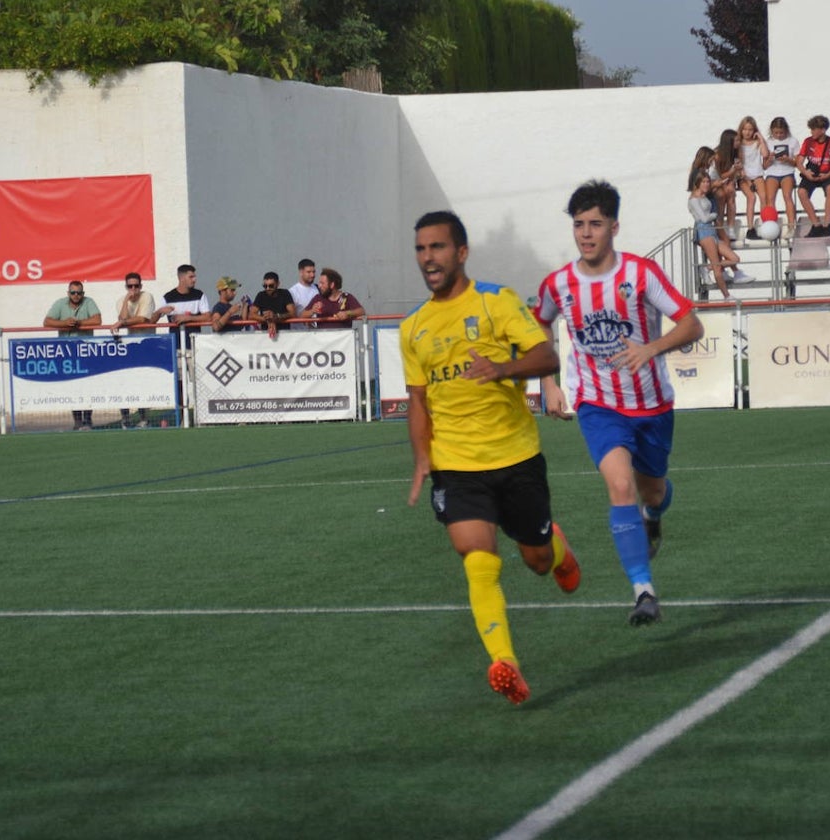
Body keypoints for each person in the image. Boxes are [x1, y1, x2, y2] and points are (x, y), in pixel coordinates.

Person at [401, 210, 580, 706]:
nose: (427, 258)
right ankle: (506, 662)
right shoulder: (413, 327)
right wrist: (421, 458)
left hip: (516, 455)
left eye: (436, 247)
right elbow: (417, 399)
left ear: (461, 252)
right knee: (478, 559)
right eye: (420, 249)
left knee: (538, 561)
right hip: (455, 465)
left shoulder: (496, 301)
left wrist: (501, 368)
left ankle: (557, 547)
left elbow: (546, 357)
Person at [536, 180, 704, 627]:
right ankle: (643, 591)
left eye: (595, 224)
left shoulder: (641, 274)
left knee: (652, 491)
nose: (586, 233)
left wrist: (651, 348)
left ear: (614, 227)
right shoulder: (559, 284)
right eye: (578, 225)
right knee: (620, 487)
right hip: (598, 405)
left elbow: (692, 324)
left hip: (652, 405)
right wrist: (548, 383)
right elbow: (538, 329)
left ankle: (655, 515)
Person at [43, 280, 102, 430]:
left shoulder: (89, 302)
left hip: (86, 350)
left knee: (88, 385)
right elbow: (47, 321)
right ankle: (77, 421)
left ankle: (88, 419)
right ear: (68, 293)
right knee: (72, 386)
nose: (76, 295)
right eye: (73, 292)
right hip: (67, 352)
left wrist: (78, 323)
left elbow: (97, 320)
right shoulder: (60, 303)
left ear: (83, 293)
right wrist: (65, 323)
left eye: (79, 293)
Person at [688, 169, 748, 298]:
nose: (706, 184)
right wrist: (715, 215)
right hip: (704, 232)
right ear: (698, 183)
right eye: (703, 182)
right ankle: (726, 295)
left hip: (712, 231)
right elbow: (703, 219)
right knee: (717, 267)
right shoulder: (693, 199)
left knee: (734, 259)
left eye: (708, 181)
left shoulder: (704, 196)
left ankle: (706, 268)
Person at [109, 272, 156, 428]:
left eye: (136, 286)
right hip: (129, 347)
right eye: (130, 286)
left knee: (143, 382)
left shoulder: (147, 296)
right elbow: (122, 319)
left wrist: (122, 323)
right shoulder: (121, 301)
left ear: (141, 286)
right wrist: (126, 302)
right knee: (125, 382)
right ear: (126, 287)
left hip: (146, 345)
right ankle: (126, 418)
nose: (133, 289)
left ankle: (144, 418)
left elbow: (142, 319)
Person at [796, 115, 830, 238]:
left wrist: (826, 175)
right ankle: (816, 224)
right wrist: (806, 173)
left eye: (814, 129)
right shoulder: (808, 141)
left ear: (822, 130)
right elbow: (799, 162)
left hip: (828, 173)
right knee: (801, 192)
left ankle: (827, 224)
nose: (811, 132)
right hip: (811, 172)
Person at [762, 116, 799, 241]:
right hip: (772, 172)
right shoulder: (768, 142)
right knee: (770, 198)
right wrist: (770, 158)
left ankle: (791, 226)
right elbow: (764, 166)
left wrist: (788, 159)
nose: (778, 135)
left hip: (787, 172)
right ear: (771, 131)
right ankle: (772, 225)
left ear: (786, 131)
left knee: (787, 196)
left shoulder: (792, 141)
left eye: (781, 133)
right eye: (776, 133)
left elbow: (797, 163)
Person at [153, 264, 211, 340]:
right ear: (181, 278)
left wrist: (188, 318)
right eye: (191, 277)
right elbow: (151, 321)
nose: (194, 280)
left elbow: (208, 317)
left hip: (195, 343)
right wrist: (159, 312)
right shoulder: (168, 297)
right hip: (175, 344)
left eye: (194, 277)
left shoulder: (199, 295)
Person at [737, 115, 769, 241]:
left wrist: (761, 139)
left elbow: (765, 154)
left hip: (757, 174)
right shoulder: (739, 144)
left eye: (750, 129)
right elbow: (738, 163)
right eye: (745, 129)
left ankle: (763, 224)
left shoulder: (756, 142)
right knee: (751, 197)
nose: (747, 132)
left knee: (763, 197)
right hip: (744, 176)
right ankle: (750, 228)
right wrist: (746, 179)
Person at [301, 267, 366, 328]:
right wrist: (312, 311)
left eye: (322, 283)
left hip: (344, 338)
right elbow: (302, 316)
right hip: (322, 338)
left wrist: (347, 313)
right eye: (319, 283)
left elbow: (361, 311)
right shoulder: (318, 297)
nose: (319, 286)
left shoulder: (346, 297)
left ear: (332, 285)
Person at [249, 271, 295, 337]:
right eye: (265, 286)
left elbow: (293, 313)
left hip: (285, 334)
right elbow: (251, 315)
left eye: (271, 286)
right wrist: (268, 319)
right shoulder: (261, 295)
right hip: (265, 334)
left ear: (278, 284)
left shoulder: (284, 293)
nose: (268, 288)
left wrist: (276, 317)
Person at [288, 258, 318, 327]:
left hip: (317, 332)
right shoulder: (293, 292)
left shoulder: (318, 288)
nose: (312, 275)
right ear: (301, 272)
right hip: (300, 333)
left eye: (313, 272)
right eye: (309, 272)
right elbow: (291, 314)